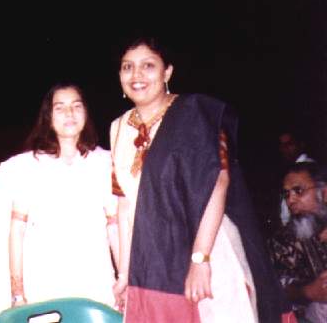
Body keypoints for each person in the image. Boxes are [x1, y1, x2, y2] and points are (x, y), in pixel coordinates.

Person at [110, 37, 295, 322]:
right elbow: (125, 205)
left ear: (167, 72)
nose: (136, 75)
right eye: (127, 67)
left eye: (148, 65)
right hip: (155, 260)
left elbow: (217, 185)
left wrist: (201, 259)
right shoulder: (118, 128)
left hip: (209, 247)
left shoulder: (194, 114)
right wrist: (125, 274)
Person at [0, 83, 118, 323]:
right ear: (49, 117)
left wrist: (124, 278)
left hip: (95, 284)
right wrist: (17, 294)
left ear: (86, 113)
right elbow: (13, 233)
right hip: (42, 287)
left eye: (76, 106)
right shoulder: (23, 167)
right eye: (60, 107)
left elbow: (115, 226)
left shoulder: (107, 162)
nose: (69, 113)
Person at [269, 162, 327, 323]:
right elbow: (277, 288)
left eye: (298, 191)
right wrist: (308, 292)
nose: (291, 200)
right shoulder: (283, 239)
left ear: (324, 193)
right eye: (286, 194)